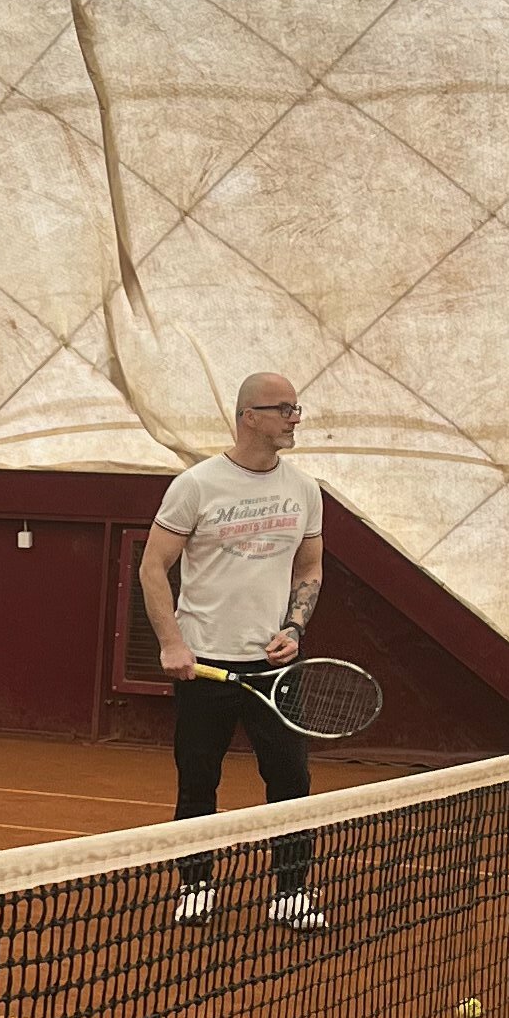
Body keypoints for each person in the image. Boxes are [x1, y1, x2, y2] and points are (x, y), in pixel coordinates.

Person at [138, 373, 326, 930]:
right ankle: (196, 885)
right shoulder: (195, 485)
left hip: (274, 669)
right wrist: (173, 643)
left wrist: (294, 628)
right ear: (250, 416)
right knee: (198, 781)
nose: (295, 418)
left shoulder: (305, 489)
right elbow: (152, 568)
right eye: (284, 409)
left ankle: (291, 893)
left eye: (296, 408)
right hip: (203, 667)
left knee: (291, 784)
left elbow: (310, 568)